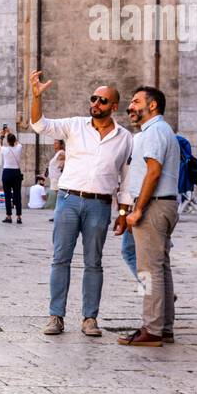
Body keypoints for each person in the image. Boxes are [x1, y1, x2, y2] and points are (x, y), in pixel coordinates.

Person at [29, 70, 134, 338]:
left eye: (102, 100)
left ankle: (90, 318)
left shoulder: (125, 138)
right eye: (93, 99)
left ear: (114, 106)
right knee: (60, 259)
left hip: (100, 204)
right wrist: (36, 96)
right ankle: (56, 316)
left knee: (93, 262)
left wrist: (123, 212)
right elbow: (39, 125)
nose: (95, 104)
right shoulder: (74, 125)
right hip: (68, 200)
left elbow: (126, 178)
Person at [115, 86, 182, 347]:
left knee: (147, 271)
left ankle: (151, 328)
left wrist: (138, 208)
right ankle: (163, 326)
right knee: (160, 267)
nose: (130, 107)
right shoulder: (161, 131)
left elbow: (153, 172)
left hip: (154, 206)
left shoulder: (154, 132)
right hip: (164, 204)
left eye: (135, 102)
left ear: (152, 106)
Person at [0, 133, 24, 224]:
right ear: (14, 140)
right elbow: (18, 143)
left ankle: (8, 216)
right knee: (17, 195)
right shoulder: (19, 148)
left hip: (6, 172)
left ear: (7, 141)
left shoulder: (4, 149)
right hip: (16, 172)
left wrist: (1, 138)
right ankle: (19, 217)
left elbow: (0, 145)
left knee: (7, 195)